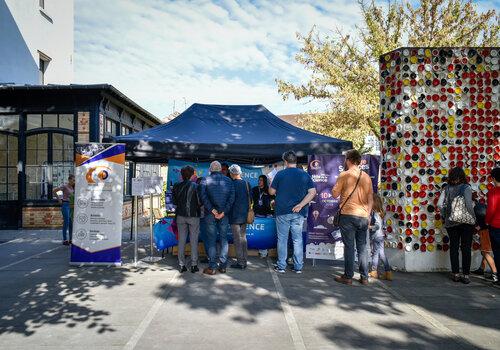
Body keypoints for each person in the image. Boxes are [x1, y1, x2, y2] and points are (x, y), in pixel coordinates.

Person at [269, 151, 316, 274]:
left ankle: (281, 266)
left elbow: (271, 192)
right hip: (298, 212)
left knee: (282, 239)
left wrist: (271, 183)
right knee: (297, 239)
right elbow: (312, 192)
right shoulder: (305, 175)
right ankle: (298, 266)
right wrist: (301, 204)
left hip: (282, 211)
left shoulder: (280, 174)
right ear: (296, 161)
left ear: (285, 161)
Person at [331, 150, 374, 285]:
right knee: (362, 247)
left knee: (349, 246)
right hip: (363, 216)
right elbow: (371, 198)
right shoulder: (366, 176)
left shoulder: (344, 174)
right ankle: (364, 277)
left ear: (348, 160)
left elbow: (334, 194)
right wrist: (368, 215)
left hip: (348, 215)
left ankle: (348, 277)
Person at [440, 167, 476, 284]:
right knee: (466, 248)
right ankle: (465, 275)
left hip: (451, 222)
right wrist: (474, 218)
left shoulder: (447, 188)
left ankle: (455, 274)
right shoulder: (466, 188)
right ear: (462, 176)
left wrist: (445, 216)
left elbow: (440, 204)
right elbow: (469, 205)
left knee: (454, 248)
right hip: (466, 222)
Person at [200, 161, 235, 275]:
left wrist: (212, 210)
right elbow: (232, 198)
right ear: (220, 169)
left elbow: (203, 197)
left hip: (210, 215)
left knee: (211, 240)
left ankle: (213, 267)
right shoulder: (229, 180)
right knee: (224, 240)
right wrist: (223, 212)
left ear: (210, 169)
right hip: (223, 215)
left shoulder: (205, 180)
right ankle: (223, 266)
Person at [172, 166, 201, 273]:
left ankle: (182, 264)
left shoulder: (176, 186)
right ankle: (194, 265)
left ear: (182, 175)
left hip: (180, 216)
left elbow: (174, 202)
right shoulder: (196, 186)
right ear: (192, 174)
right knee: (194, 241)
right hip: (194, 216)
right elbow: (200, 201)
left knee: (181, 240)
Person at [229, 164, 251, 269]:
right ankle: (244, 260)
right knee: (243, 238)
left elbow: (230, 201)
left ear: (233, 173)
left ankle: (241, 262)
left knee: (237, 240)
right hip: (245, 215)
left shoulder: (231, 184)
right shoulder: (247, 183)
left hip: (234, 215)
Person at [368, 194, 392, 280]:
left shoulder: (374, 213)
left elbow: (377, 226)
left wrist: (369, 227)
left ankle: (374, 271)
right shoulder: (381, 212)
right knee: (381, 254)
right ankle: (388, 272)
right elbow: (383, 226)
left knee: (375, 254)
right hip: (380, 236)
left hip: (376, 236)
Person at [471, 202, 497, 282]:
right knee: (486, 251)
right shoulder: (484, 206)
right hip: (490, 229)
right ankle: (481, 269)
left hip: (485, 231)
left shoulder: (477, 209)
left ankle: (495, 274)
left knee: (485, 252)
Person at [253, 175, 274, 258]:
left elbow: (273, 200)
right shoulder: (255, 189)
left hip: (266, 215)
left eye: (261, 180)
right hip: (257, 214)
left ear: (264, 181)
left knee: (264, 234)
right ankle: (259, 251)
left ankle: (263, 252)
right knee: (257, 234)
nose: (259, 181)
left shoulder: (268, 190)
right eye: (259, 180)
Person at [486, 167, 500, 285]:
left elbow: (491, 210)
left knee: (497, 252)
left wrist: (487, 222)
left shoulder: (493, 192)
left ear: (494, 178)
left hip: (496, 225)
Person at [53, 174, 75, 246]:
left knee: (71, 222)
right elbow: (55, 190)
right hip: (65, 205)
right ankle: (65, 239)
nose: (74, 181)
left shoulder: (73, 187)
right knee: (67, 221)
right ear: (69, 180)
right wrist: (59, 199)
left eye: (75, 180)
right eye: (73, 180)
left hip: (71, 206)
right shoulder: (65, 186)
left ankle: (71, 239)